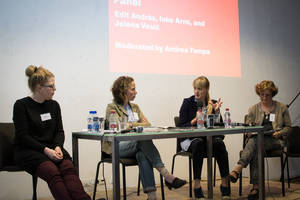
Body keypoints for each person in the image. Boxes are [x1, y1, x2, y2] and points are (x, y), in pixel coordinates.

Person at [102, 76, 186, 200]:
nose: (136, 92)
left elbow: (147, 124)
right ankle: (166, 175)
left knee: (142, 153)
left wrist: (131, 125)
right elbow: (119, 128)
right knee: (142, 139)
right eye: (133, 89)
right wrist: (134, 126)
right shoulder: (112, 107)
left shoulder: (135, 107)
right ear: (123, 91)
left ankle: (152, 196)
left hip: (135, 145)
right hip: (116, 147)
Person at [13, 65, 91, 200]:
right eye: (51, 86)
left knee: (68, 168)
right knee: (52, 171)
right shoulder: (21, 105)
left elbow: (59, 131)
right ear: (39, 87)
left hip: (52, 149)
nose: (55, 89)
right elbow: (23, 136)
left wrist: (57, 146)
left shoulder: (54, 105)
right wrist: (45, 150)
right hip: (29, 150)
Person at [228, 80, 291, 200]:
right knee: (256, 142)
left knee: (255, 142)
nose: (264, 97)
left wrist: (280, 133)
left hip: (275, 140)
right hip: (258, 140)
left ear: (272, 94)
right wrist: (249, 132)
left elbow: (289, 127)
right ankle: (256, 188)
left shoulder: (282, 108)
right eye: (262, 94)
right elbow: (247, 129)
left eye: (267, 95)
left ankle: (239, 169)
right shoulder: (253, 109)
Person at [178, 76, 230, 198]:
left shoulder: (212, 103)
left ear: (206, 89)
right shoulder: (187, 102)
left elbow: (220, 130)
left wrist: (216, 113)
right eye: (195, 88)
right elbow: (180, 126)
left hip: (208, 140)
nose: (196, 91)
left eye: (200, 89)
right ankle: (197, 185)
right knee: (198, 143)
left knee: (219, 143)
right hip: (190, 141)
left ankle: (224, 183)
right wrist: (196, 119)